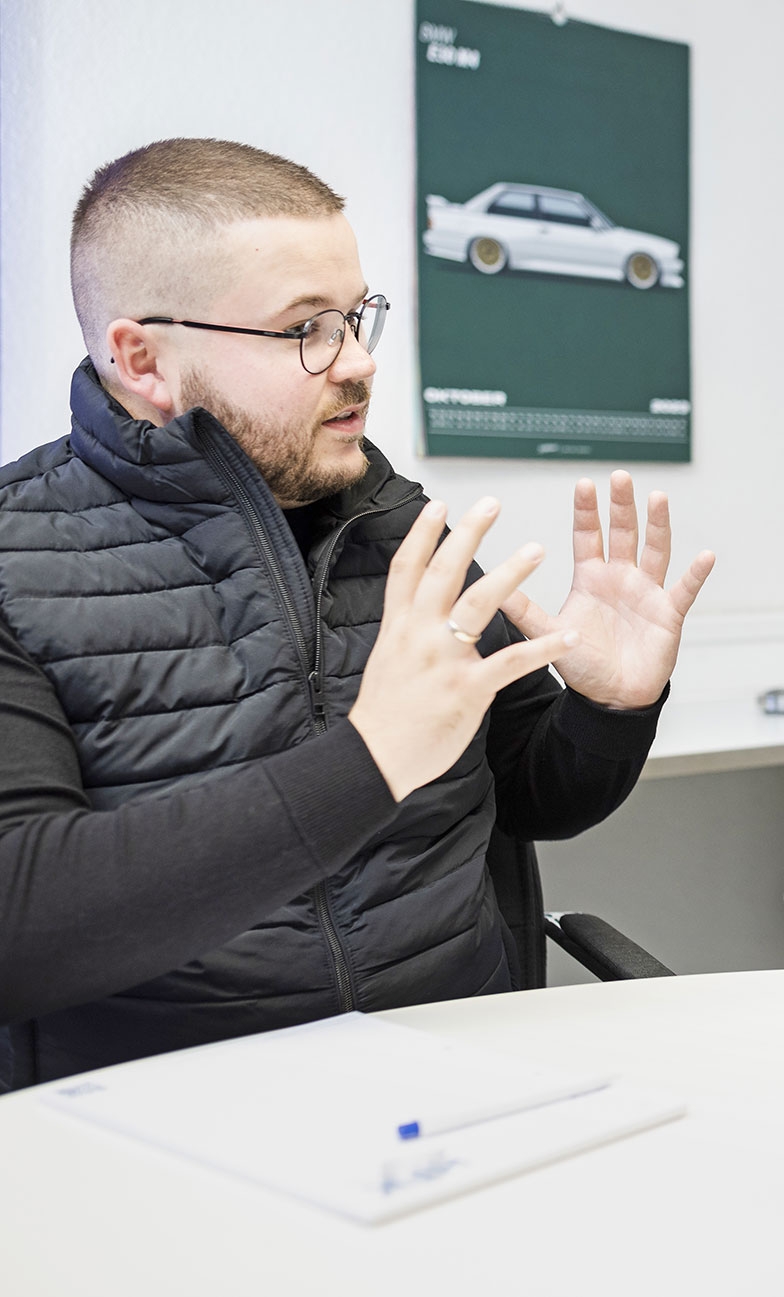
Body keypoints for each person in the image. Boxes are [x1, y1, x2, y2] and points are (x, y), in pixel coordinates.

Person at [0, 138, 715, 1088]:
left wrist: (610, 709)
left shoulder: (395, 522)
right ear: (143, 359)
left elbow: (533, 794)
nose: (356, 364)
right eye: (307, 330)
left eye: (356, 318)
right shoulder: (16, 561)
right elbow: (24, 927)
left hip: (459, 1095)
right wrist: (367, 759)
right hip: (173, 1131)